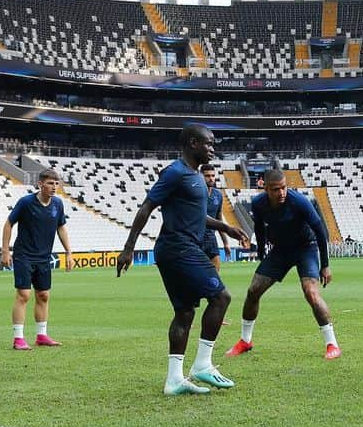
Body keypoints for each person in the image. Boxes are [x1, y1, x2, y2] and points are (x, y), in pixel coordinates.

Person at [115, 125, 249, 395]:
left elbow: (196, 216)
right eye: (208, 143)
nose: (213, 148)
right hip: (179, 248)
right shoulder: (176, 172)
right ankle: (202, 364)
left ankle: (174, 380)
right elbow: (147, 207)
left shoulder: (196, 176)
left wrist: (226, 228)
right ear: (192, 143)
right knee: (221, 297)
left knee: (185, 312)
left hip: (179, 248)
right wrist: (128, 248)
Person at [225, 169, 340, 360]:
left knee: (311, 292)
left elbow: (320, 231)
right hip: (280, 251)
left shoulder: (299, 202)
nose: (282, 193)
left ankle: (332, 344)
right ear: (266, 188)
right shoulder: (258, 204)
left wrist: (325, 265)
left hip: (306, 247)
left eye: (284, 188)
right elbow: (260, 229)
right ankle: (245, 341)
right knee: (253, 290)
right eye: (276, 189)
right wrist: (261, 253)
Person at [0, 168, 73, 350]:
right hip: (23, 255)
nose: (54, 187)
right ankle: (18, 338)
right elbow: (9, 223)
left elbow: (61, 228)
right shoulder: (26, 202)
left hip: (43, 257)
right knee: (24, 294)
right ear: (40, 184)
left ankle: (42, 335)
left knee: (43, 295)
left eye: (56, 183)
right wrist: (5, 251)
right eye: (50, 183)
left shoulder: (58, 204)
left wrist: (69, 252)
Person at [199, 164, 231, 270]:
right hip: (196, 239)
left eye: (213, 175)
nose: (211, 178)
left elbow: (219, 220)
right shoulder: (194, 193)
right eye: (207, 176)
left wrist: (225, 243)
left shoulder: (218, 195)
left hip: (211, 240)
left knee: (215, 275)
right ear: (200, 176)